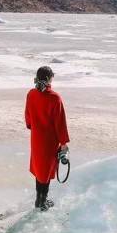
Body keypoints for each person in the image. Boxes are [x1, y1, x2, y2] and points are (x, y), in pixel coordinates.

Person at [25, 65, 70, 210]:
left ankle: (39, 199)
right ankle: (42, 202)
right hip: (49, 140)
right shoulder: (54, 98)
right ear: (49, 79)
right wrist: (63, 143)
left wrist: (33, 126)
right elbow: (60, 123)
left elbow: (28, 117)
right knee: (45, 170)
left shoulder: (31, 94)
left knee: (40, 169)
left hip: (36, 138)